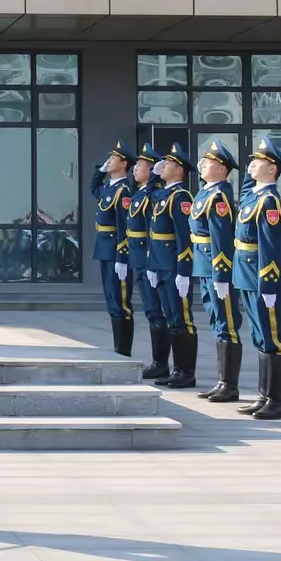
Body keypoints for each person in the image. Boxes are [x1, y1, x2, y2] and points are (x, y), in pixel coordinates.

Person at [232, 137, 281, 421]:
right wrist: (251, 171)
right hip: (246, 274)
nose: (252, 165)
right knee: (259, 336)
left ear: (272, 169)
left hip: (261, 277)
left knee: (272, 338)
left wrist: (268, 284)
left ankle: (275, 401)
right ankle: (263, 396)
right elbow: (247, 185)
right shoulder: (253, 196)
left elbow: (270, 247)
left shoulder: (269, 202)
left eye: (259, 161)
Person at [190, 140, 241, 402]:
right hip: (204, 265)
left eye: (208, 162)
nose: (202, 165)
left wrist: (221, 275)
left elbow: (221, 239)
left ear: (222, 169)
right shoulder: (205, 193)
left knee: (226, 323)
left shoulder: (219, 197)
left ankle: (229, 385)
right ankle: (222, 381)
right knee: (216, 321)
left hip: (215, 266)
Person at [148, 143, 199, 389]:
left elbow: (184, 237)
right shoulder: (163, 195)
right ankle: (175, 369)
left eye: (167, 163)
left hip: (173, 266)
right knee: (170, 317)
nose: (163, 166)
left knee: (181, 319)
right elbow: (153, 229)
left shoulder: (181, 197)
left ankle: (185, 371)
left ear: (179, 170)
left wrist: (184, 271)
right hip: (160, 264)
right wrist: (152, 265)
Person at [90, 142, 137, 357]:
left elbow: (123, 228)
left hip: (116, 251)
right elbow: (94, 188)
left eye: (114, 158)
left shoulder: (123, 191)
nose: (109, 161)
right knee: (111, 299)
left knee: (121, 302)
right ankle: (118, 349)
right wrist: (100, 171)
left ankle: (123, 351)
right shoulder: (109, 187)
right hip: (104, 249)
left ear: (124, 164)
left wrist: (122, 257)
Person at [124, 146, 166, 379]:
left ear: (151, 171)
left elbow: (152, 231)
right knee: (150, 311)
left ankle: (161, 363)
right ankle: (158, 361)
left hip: (147, 258)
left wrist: (151, 262)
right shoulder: (139, 192)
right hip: (137, 258)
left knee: (156, 311)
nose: (135, 169)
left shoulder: (152, 195)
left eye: (140, 166)